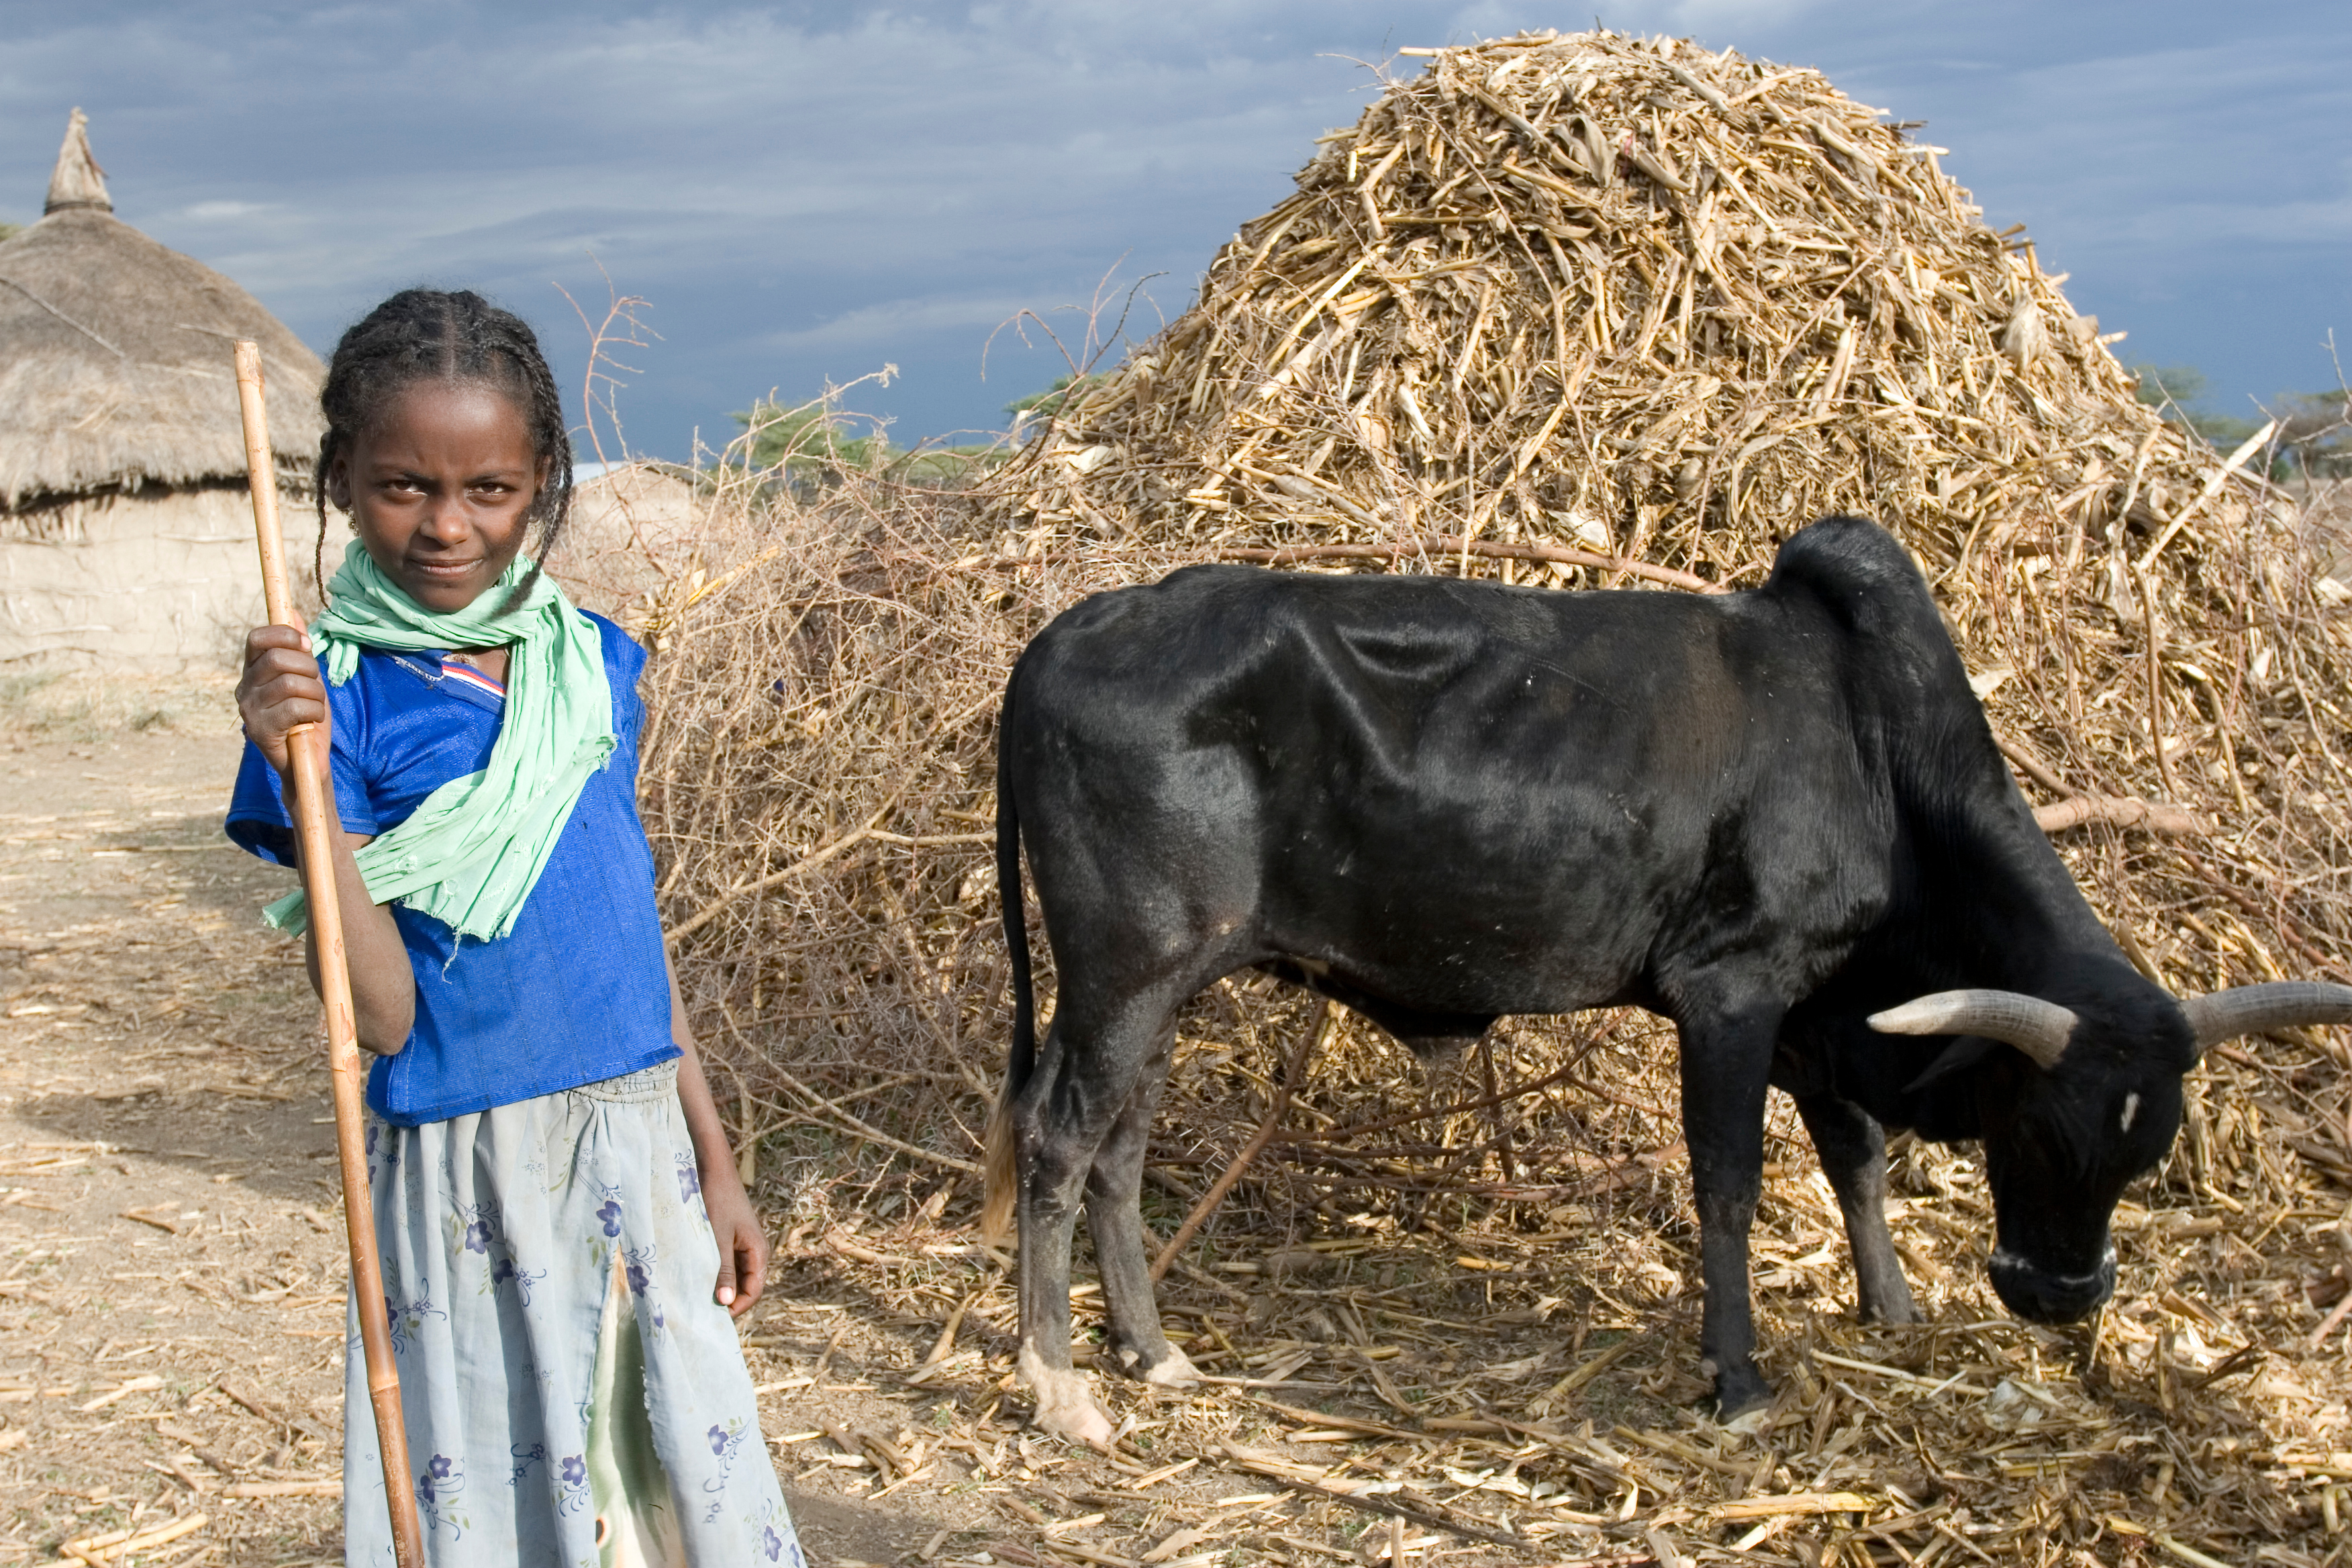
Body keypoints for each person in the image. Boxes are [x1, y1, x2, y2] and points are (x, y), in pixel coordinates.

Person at [228, 289, 803, 1567]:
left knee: (669, 1491)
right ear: (339, 481)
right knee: (508, 1500)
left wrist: (711, 1154)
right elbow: (377, 1015)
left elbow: (628, 930)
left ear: (542, 484)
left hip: (640, 1139)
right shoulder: (337, 705)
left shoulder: (595, 663)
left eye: (489, 489)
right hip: (466, 1166)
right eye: (402, 488)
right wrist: (303, 770)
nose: (446, 526)